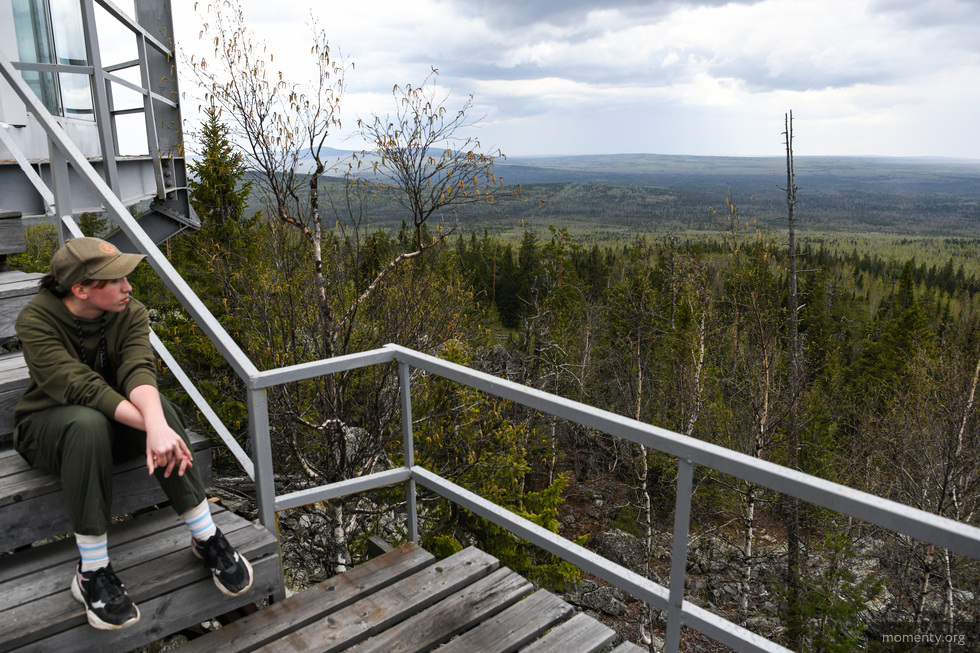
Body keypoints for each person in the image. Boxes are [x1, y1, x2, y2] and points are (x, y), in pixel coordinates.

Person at [13, 237, 253, 631]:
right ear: (80, 289)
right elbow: (78, 388)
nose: (128, 286)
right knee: (87, 422)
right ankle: (91, 571)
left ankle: (205, 536)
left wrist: (157, 424)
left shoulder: (129, 311)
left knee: (164, 411)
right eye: (115, 279)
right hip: (48, 426)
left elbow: (138, 368)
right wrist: (150, 425)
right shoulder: (36, 320)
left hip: (112, 423)